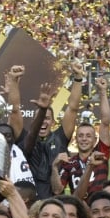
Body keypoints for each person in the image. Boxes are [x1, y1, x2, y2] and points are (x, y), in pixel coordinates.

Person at [19, 62, 84, 199]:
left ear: (53, 122)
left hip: (57, 200)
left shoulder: (60, 137)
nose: (43, 121)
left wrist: (78, 78)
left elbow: (73, 108)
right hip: (32, 201)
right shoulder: (27, 140)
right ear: (33, 123)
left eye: (47, 118)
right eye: (40, 118)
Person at [51, 75, 110, 199]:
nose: (84, 139)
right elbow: (57, 190)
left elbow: (105, 121)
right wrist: (54, 168)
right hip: (79, 210)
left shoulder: (101, 153)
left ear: (95, 140)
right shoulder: (69, 162)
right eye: (81, 136)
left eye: (88, 136)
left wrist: (102, 92)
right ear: (75, 139)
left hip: (98, 207)